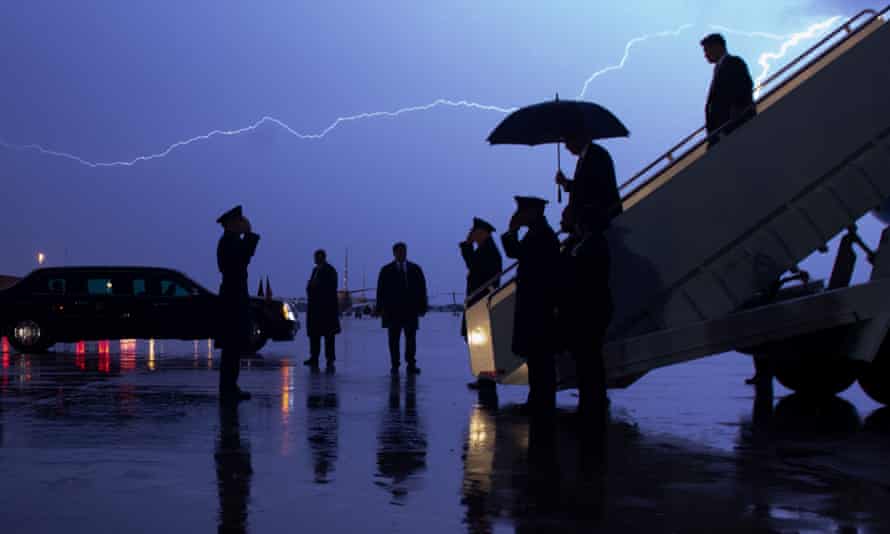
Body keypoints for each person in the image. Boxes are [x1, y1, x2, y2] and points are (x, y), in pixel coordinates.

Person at [501, 196, 560, 415]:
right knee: (536, 357)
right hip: (536, 303)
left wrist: (511, 231)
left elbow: (519, 254)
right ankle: (538, 399)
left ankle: (542, 402)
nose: (519, 215)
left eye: (522, 211)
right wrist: (512, 232)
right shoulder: (538, 233)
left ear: (533, 213)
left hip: (539, 304)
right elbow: (517, 253)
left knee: (540, 357)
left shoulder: (542, 236)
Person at [559, 205, 612, 421]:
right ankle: (591, 402)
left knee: (588, 360)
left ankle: (591, 405)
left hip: (588, 310)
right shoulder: (590, 244)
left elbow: (580, 276)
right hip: (590, 309)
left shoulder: (591, 246)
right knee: (588, 360)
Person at [216, 205, 260, 402]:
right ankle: (228, 388)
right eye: (240, 221)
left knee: (233, 348)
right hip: (233, 297)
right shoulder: (228, 242)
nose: (243, 224)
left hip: (233, 296)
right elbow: (242, 259)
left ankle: (230, 386)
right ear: (232, 223)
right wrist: (250, 235)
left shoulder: (229, 241)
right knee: (232, 347)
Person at [460, 217, 504, 391]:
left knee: (483, 340)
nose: (471, 234)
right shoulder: (486, 249)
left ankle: (487, 377)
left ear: (482, 233)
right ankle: (484, 376)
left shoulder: (489, 251)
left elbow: (475, 267)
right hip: (478, 300)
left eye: (474, 232)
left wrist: (467, 245)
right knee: (478, 339)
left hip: (481, 300)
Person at [376, 242, 428, 374]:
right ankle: (395, 365)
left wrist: (422, 306)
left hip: (410, 310)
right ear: (394, 253)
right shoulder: (386, 270)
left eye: (403, 251)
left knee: (411, 339)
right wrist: (379, 308)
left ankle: (411, 364)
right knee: (393, 340)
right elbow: (380, 291)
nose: (401, 254)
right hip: (392, 311)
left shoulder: (415, 269)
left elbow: (422, 289)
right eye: (399, 251)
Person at [555, 135, 622, 233]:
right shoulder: (584, 158)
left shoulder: (596, 154)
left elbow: (591, 188)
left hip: (603, 220)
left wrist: (566, 183)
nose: (566, 147)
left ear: (578, 138)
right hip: (595, 222)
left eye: (567, 141)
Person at [701, 33, 756, 148]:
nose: (705, 55)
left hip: (737, 126)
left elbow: (745, 85)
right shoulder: (718, 69)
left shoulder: (733, 62)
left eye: (707, 50)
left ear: (717, 47)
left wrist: (737, 112)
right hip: (723, 132)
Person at [304, 249, 341, 368]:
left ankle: (330, 359)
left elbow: (330, 288)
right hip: (315, 309)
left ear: (323, 258)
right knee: (314, 335)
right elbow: (310, 288)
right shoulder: (315, 270)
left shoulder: (330, 270)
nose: (316, 259)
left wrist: (316, 286)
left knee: (329, 336)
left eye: (318, 257)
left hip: (326, 309)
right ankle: (314, 357)